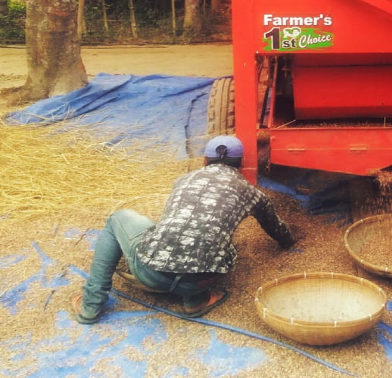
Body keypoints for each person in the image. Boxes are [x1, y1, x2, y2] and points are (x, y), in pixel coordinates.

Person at [71, 135, 296, 323]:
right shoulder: (253, 194)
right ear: (241, 162)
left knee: (118, 218)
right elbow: (277, 231)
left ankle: (90, 305)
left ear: (206, 160)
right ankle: (195, 300)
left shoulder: (184, 179)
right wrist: (290, 240)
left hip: (151, 275)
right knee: (216, 242)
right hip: (203, 280)